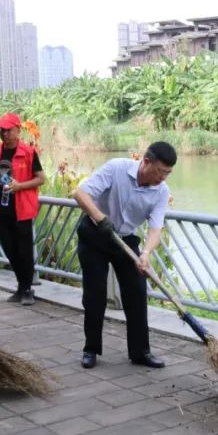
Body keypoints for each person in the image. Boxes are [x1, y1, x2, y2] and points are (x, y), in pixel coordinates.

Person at [72, 142, 177, 370]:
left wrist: (146, 253)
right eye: (160, 171)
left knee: (137, 292)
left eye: (168, 173)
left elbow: (155, 228)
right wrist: (100, 217)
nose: (163, 177)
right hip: (95, 233)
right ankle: (91, 349)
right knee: (95, 293)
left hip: (125, 239)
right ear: (146, 162)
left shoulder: (161, 191)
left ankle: (140, 352)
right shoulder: (117, 168)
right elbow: (79, 193)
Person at [0, 112, 44, 305]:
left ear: (18, 130)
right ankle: (21, 286)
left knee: (24, 251)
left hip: (22, 210)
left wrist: (20, 186)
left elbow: (41, 178)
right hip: (1, 211)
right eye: (2, 130)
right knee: (9, 249)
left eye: (9, 130)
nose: (5, 134)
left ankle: (26, 289)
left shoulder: (28, 152)